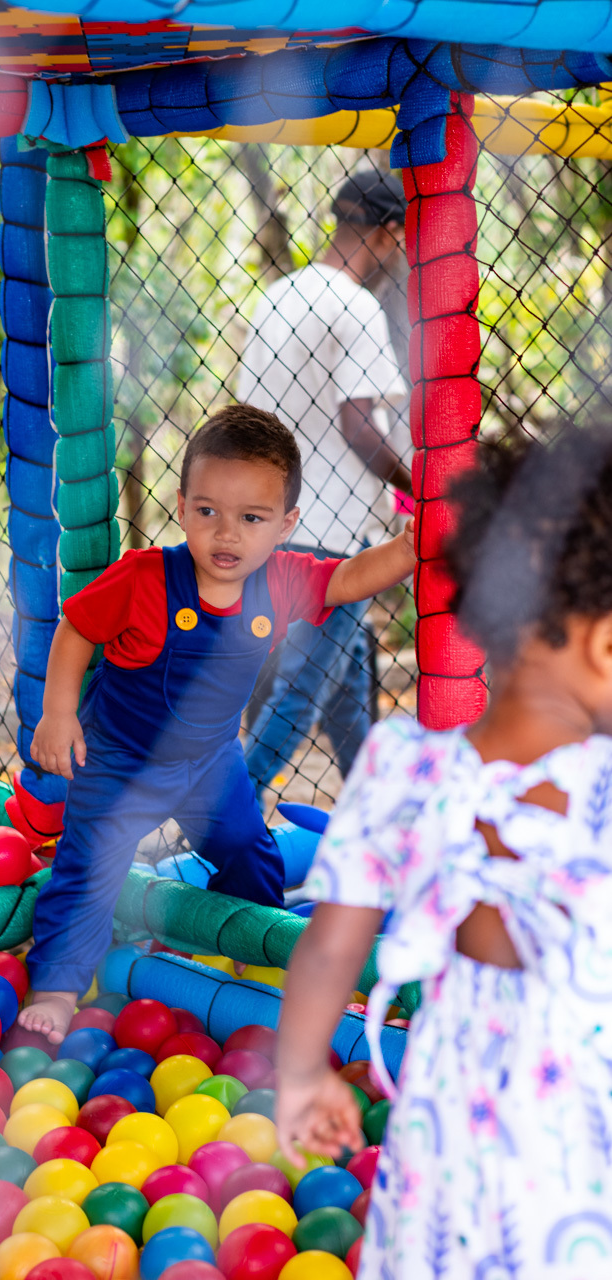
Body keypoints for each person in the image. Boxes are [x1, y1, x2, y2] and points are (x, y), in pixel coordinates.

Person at [276, 423, 612, 1279]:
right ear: (604, 647)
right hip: (581, 1147)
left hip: (447, 1132)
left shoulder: (402, 765)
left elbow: (328, 949)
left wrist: (305, 1073)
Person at [18, 404, 416, 1043]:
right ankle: (60, 987)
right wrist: (59, 713)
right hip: (120, 759)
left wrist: (408, 547)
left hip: (209, 763)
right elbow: (76, 630)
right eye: (209, 512)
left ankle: (257, 958)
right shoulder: (145, 577)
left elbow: (348, 578)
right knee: (89, 867)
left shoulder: (283, 582)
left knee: (247, 852)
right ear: (181, 506)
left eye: (251, 519)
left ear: (285, 525)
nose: (226, 536)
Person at [239, 168, 412, 797]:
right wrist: (417, 480)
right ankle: (221, 818)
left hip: (273, 525)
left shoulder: (276, 298)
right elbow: (360, 424)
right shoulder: (358, 306)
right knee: (301, 693)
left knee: (342, 689)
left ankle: (372, 817)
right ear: (389, 233)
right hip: (336, 537)